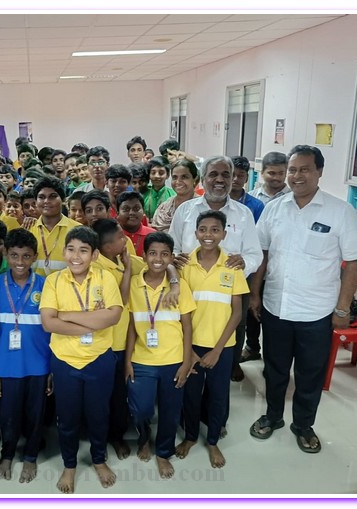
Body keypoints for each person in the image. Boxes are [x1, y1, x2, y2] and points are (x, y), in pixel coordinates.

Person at [248, 145, 357, 454]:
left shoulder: (340, 211)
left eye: (304, 169)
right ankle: (273, 416)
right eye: (292, 170)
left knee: (310, 373)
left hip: (317, 313)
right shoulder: (275, 208)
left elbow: (354, 262)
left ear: (319, 172)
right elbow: (263, 254)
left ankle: (303, 425)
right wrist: (255, 294)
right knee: (274, 369)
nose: (296, 176)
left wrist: (342, 308)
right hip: (276, 307)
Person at [40, 226, 123, 494]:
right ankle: (70, 465)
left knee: (99, 414)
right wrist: (91, 323)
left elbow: (113, 316)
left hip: (99, 358)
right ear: (64, 252)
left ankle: (98, 459)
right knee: (67, 417)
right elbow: (48, 323)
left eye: (83, 251)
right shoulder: (53, 281)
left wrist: (66, 316)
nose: (76, 256)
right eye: (71, 249)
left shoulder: (105, 277)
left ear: (95, 255)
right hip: (65, 360)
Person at [169, 155, 262, 383]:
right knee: (189, 329)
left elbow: (255, 254)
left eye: (225, 175)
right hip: (191, 287)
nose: (219, 180)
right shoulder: (185, 210)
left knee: (233, 331)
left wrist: (243, 263)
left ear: (232, 179)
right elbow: (173, 247)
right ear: (202, 179)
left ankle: (228, 368)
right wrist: (175, 259)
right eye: (213, 174)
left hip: (231, 290)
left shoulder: (243, 213)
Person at [176, 210, 249, 469]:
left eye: (215, 230)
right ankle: (191, 436)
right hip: (191, 344)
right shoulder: (185, 266)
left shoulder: (232, 266)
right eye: (203, 229)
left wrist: (218, 350)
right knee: (191, 393)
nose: (209, 235)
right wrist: (190, 351)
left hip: (222, 346)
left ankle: (213, 440)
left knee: (219, 394)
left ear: (224, 234)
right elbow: (180, 311)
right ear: (196, 233)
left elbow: (237, 312)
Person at [125, 231, 196, 478]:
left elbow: (187, 327)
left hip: (173, 360)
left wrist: (186, 362)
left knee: (170, 410)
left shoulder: (179, 286)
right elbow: (131, 327)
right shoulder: (134, 285)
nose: (158, 259)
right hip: (142, 359)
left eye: (165, 254)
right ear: (144, 256)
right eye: (153, 253)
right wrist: (127, 361)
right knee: (141, 408)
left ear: (171, 257)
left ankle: (163, 453)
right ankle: (144, 437)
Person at [0, 229, 51, 484]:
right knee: (8, 415)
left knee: (36, 414)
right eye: (14, 255)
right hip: (7, 365)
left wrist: (51, 370)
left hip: (39, 364)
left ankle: (31, 456)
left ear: (35, 256)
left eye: (26, 256)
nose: (20, 262)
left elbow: (52, 332)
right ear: (6, 255)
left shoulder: (46, 285)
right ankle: (8, 454)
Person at [91, 219, 148, 461]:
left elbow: (153, 265)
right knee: (103, 395)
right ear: (106, 247)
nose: (125, 240)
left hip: (125, 341)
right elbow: (120, 301)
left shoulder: (123, 258)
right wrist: (126, 270)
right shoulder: (96, 268)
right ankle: (104, 437)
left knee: (120, 393)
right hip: (104, 343)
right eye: (120, 238)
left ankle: (118, 434)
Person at [242, 151, 291, 363]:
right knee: (252, 308)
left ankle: (275, 356)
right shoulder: (252, 198)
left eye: (281, 173)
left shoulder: (293, 198)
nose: (276, 178)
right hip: (256, 264)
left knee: (273, 316)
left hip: (279, 266)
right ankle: (252, 346)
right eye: (271, 173)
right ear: (262, 173)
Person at [29, 176, 81, 276]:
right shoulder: (28, 229)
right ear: (36, 201)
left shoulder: (78, 230)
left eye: (52, 196)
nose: (46, 201)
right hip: (34, 286)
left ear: (63, 200)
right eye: (41, 197)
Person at [151, 159, 199, 232]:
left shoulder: (201, 206)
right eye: (174, 177)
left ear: (195, 179)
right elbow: (155, 233)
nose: (178, 182)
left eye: (184, 177)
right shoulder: (164, 208)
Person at [116, 191, 155, 257]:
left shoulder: (153, 235)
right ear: (118, 213)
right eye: (126, 209)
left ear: (143, 211)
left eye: (136, 209)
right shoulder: (111, 236)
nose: (132, 213)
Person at [230, 156, 265, 223]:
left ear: (247, 178)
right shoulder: (218, 201)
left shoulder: (257, 205)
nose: (235, 179)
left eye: (240, 176)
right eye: (232, 175)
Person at [143, 156, 176, 222]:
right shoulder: (143, 195)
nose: (157, 176)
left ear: (167, 175)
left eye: (161, 173)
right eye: (153, 173)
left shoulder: (174, 195)